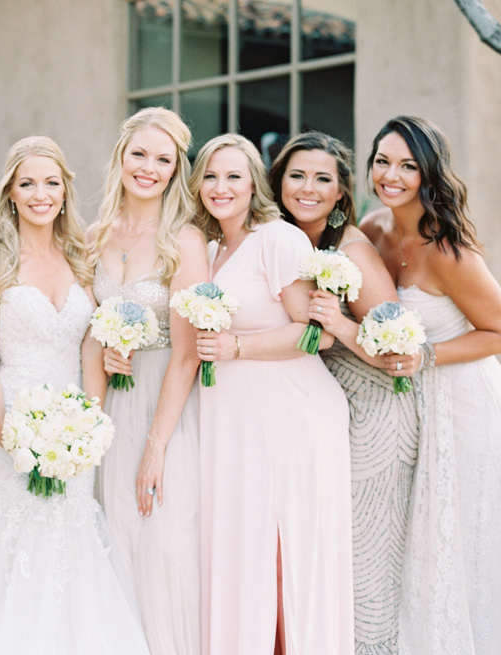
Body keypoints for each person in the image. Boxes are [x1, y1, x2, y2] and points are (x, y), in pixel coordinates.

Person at [0, 135, 149, 654]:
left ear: (64, 192)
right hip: (9, 429)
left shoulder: (80, 261)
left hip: (75, 435)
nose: (40, 194)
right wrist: (16, 440)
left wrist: (91, 426)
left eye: (51, 183)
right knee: (13, 554)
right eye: (27, 184)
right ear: (10, 193)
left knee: (70, 552)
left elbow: (92, 350)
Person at [193, 133, 353, 654]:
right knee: (246, 557)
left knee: (283, 557)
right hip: (235, 422)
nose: (221, 186)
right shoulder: (212, 249)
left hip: (291, 416)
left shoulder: (277, 238)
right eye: (211, 175)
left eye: (234, 175)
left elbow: (317, 333)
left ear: (254, 183)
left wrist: (235, 347)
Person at [269, 131, 418, 654]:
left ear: (340, 194)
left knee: (358, 562)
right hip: (313, 414)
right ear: (278, 182)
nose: (307, 188)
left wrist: (342, 325)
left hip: (373, 415)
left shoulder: (352, 249)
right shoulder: (278, 239)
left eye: (323, 179)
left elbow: (405, 356)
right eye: (297, 175)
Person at [361, 115, 501, 655]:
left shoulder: (448, 252)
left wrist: (425, 355)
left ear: (429, 173)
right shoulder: (374, 229)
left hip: (465, 402)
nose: (390, 175)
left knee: (459, 536)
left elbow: (496, 331)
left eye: (407, 166)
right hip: (408, 404)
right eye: (382, 161)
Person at [89, 107, 205, 655]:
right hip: (113, 406)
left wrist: (157, 446)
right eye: (140, 154)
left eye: (163, 159)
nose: (149, 168)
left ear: (176, 169)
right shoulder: (93, 235)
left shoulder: (184, 239)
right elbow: (80, 325)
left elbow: (187, 355)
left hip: (168, 407)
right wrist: (103, 351)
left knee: (163, 548)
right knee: (116, 544)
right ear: (120, 156)